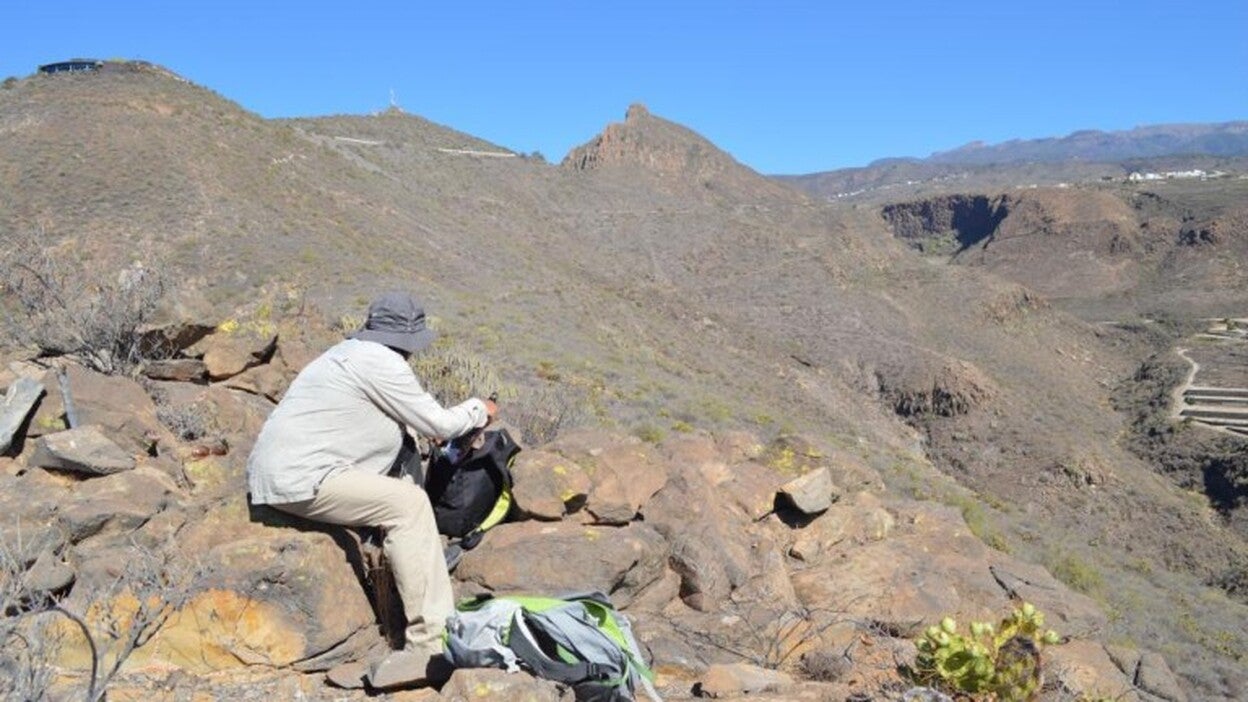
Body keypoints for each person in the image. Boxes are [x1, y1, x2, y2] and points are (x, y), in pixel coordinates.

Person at [246, 291, 495, 688]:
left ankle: (412, 573)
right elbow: (442, 425)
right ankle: (431, 641)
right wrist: (480, 409)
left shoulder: (345, 353)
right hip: (303, 479)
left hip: (284, 472)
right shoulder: (381, 362)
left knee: (405, 450)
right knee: (409, 505)